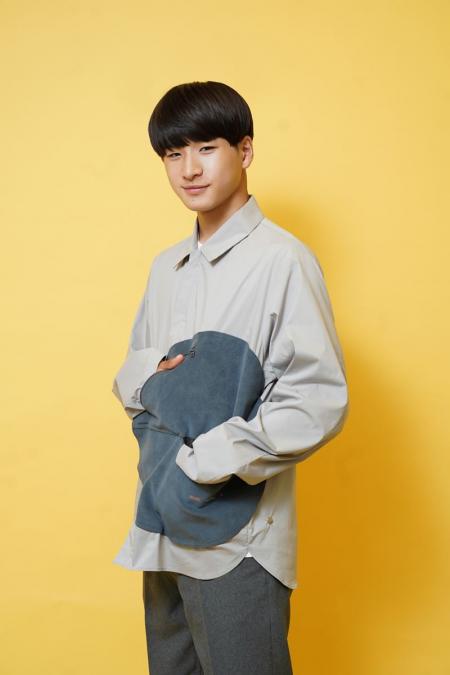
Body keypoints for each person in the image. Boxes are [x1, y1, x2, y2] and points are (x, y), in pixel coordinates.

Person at [111, 80, 349, 675]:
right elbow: (132, 377)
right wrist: (152, 381)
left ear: (245, 150)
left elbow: (316, 399)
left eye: (206, 148)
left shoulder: (282, 260)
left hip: (237, 541)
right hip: (159, 526)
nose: (189, 169)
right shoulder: (166, 268)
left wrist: (209, 460)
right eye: (173, 154)